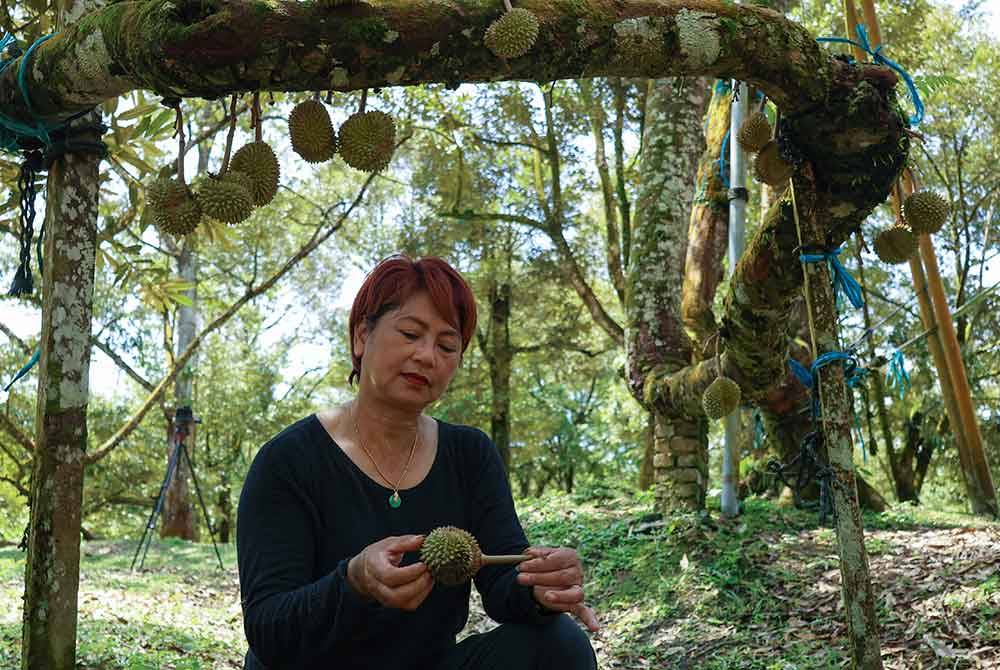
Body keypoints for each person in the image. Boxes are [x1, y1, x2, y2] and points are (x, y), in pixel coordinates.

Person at [236, 255, 600, 670]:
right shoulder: (288, 461)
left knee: (560, 645)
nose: (427, 356)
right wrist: (353, 582)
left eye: (447, 345)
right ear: (361, 337)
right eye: (410, 334)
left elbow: (502, 580)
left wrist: (539, 587)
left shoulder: (469, 455)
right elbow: (269, 629)